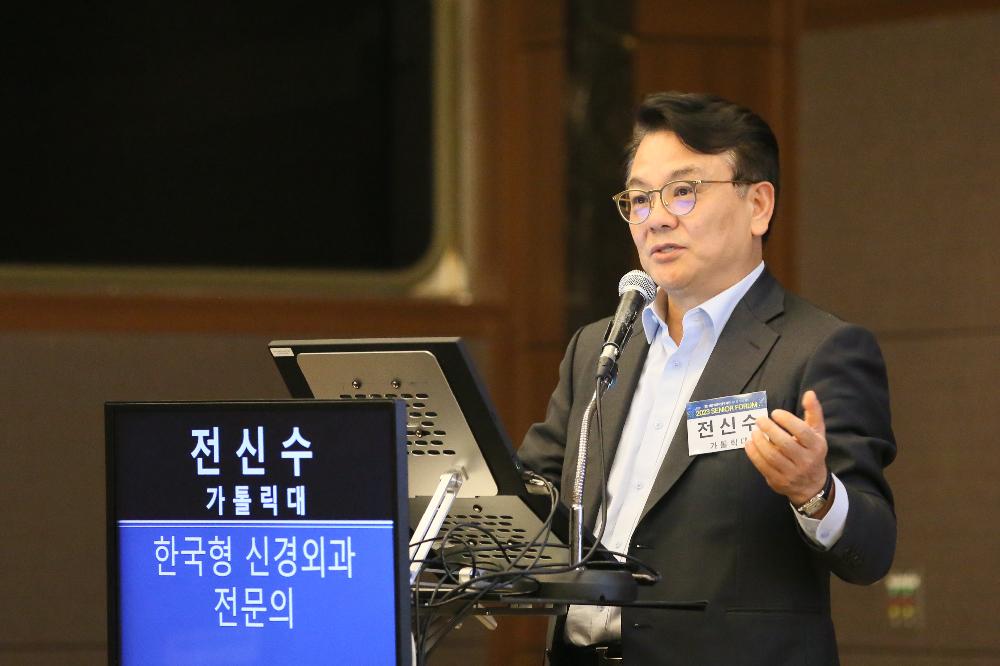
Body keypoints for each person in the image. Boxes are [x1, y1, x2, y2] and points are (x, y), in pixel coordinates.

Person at [517, 91, 896, 665]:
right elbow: (533, 497)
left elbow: (872, 549)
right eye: (639, 199)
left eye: (684, 191)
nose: (657, 218)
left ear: (758, 206)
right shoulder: (599, 349)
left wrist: (815, 493)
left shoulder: (818, 350)